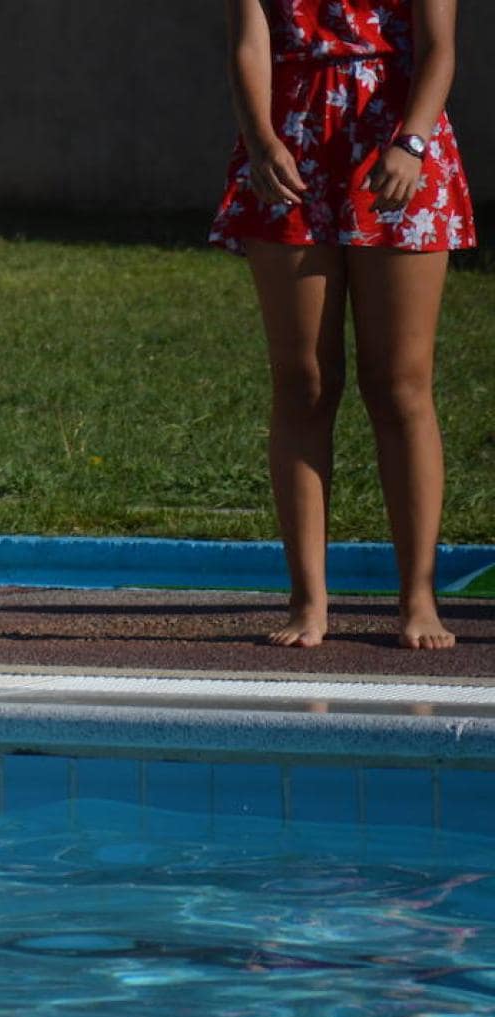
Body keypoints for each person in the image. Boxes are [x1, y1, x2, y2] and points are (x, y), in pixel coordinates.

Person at [211, 0, 476, 649]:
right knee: (303, 382)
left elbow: (439, 47)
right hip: (292, 147)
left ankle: (417, 598)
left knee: (401, 384)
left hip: (398, 144)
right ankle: (308, 600)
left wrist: (413, 141)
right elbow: (249, 44)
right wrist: (262, 140)